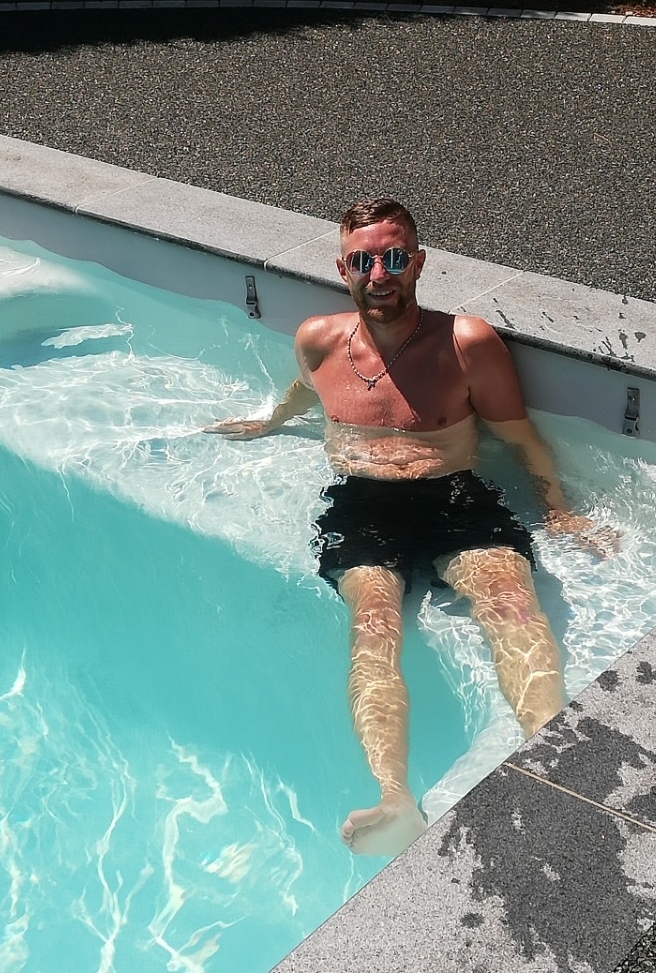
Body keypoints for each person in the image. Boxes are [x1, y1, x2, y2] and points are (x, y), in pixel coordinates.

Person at [206, 197, 608, 858]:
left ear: (417, 263)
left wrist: (557, 508)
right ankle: (394, 797)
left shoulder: (466, 344)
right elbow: (305, 389)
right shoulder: (318, 339)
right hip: (361, 503)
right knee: (373, 624)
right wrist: (270, 421)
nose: (379, 275)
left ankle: (553, 757)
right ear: (343, 269)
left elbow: (521, 439)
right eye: (362, 261)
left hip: (454, 497)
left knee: (510, 601)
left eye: (394, 259)